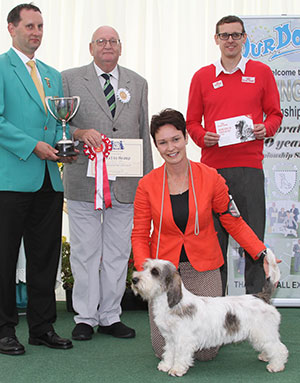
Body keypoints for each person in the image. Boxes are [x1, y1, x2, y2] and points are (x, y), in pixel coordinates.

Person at [131, 108, 272, 361]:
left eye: (175, 139)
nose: (171, 147)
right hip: (163, 272)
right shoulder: (147, 185)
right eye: (162, 142)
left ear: (186, 138)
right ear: (156, 146)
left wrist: (259, 251)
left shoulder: (211, 177)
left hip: (203, 266)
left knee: (206, 351)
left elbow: (233, 221)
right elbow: (140, 233)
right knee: (161, 345)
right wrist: (146, 270)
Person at [61, 26, 153, 341]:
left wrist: (148, 182)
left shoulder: (137, 83)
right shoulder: (69, 79)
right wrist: (78, 133)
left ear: (121, 47)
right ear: (91, 48)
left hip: (127, 184)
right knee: (85, 252)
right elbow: (60, 125)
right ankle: (85, 317)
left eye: (113, 41)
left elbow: (143, 135)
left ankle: (111, 316)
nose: (107, 46)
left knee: (116, 252)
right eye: (101, 41)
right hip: (83, 179)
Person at [186, 15, 283, 295]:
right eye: (225, 35)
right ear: (216, 39)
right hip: (212, 172)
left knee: (252, 240)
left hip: (249, 168)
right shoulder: (202, 76)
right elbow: (192, 122)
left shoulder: (262, 72)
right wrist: (203, 137)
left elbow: (275, 114)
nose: (230, 40)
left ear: (244, 38)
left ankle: (255, 309)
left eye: (236, 35)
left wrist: (266, 128)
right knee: (214, 245)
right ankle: (215, 309)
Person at [0, 4, 75, 355]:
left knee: (44, 258)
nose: (36, 32)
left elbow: (59, 122)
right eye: (29, 25)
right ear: (11, 28)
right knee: (4, 257)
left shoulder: (51, 74)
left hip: (49, 179)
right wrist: (34, 146)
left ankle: (42, 327)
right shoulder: (1, 68)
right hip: (11, 180)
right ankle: (4, 330)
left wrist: (67, 146)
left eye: (41, 26)